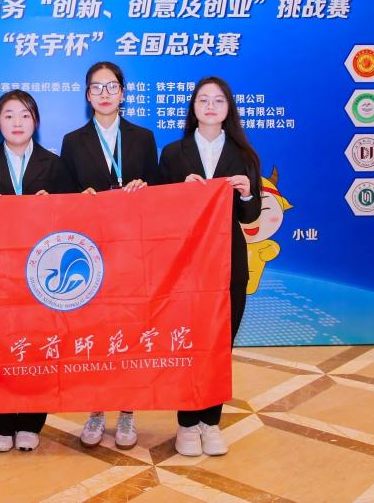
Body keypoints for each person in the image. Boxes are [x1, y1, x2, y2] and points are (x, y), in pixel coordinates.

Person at [159, 76, 261, 458]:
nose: (211, 106)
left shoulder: (245, 155)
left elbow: (251, 215)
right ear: (193, 107)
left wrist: (246, 193)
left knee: (219, 344)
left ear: (228, 108)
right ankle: (187, 423)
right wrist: (180, 192)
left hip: (229, 262)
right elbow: (159, 212)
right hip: (185, 265)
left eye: (219, 100)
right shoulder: (173, 153)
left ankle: (211, 421)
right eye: (203, 99)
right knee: (189, 342)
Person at [60, 61, 159, 450]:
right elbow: (64, 199)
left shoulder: (143, 138)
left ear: (123, 93)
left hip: (133, 250)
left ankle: (128, 410)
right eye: (96, 87)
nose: (104, 94)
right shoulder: (72, 141)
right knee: (95, 332)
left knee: (130, 330)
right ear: (87, 95)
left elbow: (160, 193)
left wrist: (145, 188)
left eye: (112, 86)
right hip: (91, 253)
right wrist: (79, 198)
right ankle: (96, 408)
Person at [0, 89, 74, 453]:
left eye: (25, 115)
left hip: (41, 274)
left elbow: (73, 221)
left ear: (36, 122)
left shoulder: (55, 165)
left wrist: (54, 207)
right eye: (9, 115)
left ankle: (31, 421)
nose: (17, 122)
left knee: (36, 344)